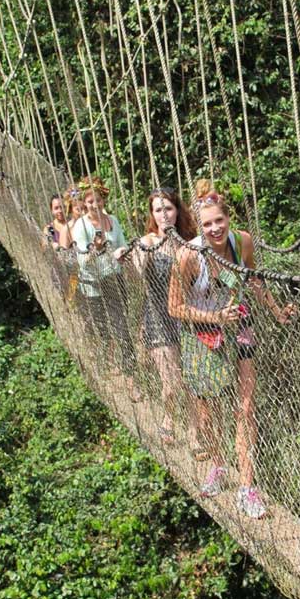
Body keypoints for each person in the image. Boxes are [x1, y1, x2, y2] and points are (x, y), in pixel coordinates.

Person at [168, 179, 295, 520]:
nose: (214, 229)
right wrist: (212, 316)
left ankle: (247, 488)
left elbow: (253, 279)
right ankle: (218, 465)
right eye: (207, 224)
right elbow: (174, 307)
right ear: (199, 226)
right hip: (201, 334)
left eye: (219, 221)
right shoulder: (188, 257)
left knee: (245, 407)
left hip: (239, 328)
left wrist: (276, 310)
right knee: (208, 413)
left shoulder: (242, 242)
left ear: (228, 218)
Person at [129, 187, 196, 444]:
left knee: (191, 382)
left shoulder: (189, 244)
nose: (164, 215)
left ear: (177, 211)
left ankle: (194, 433)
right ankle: (168, 419)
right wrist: (134, 256)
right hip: (157, 319)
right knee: (172, 382)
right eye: (158, 210)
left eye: (168, 208)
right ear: (152, 214)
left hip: (186, 319)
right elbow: (138, 269)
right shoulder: (147, 243)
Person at [71, 175, 140, 400]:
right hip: (92, 283)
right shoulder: (80, 226)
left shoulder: (113, 220)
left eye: (98, 200)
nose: (94, 205)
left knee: (122, 330)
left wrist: (126, 253)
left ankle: (132, 381)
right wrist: (96, 249)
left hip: (115, 279)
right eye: (90, 201)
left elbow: (123, 244)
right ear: (84, 202)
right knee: (102, 330)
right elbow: (82, 261)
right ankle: (105, 366)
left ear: (104, 200)